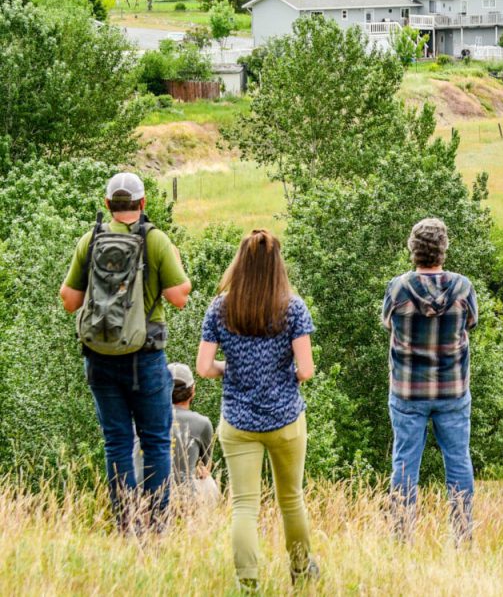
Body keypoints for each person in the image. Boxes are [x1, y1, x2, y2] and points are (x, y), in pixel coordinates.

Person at [59, 172, 191, 534]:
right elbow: (179, 297)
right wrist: (178, 264)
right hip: (144, 357)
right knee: (155, 441)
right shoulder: (156, 241)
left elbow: (70, 301)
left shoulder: (92, 239)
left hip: (98, 357)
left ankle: (126, 523)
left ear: (108, 205)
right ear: (143, 203)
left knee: (116, 440)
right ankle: (157, 526)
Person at [197, 230, 318, 588]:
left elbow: (204, 368)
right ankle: (301, 573)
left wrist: (228, 369)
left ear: (240, 263)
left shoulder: (221, 307)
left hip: (237, 421)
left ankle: (247, 583)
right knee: (291, 499)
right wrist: (286, 376)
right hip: (285, 419)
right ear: (277, 265)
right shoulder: (293, 307)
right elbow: (306, 370)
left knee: (244, 506)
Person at [382, 218, 479, 539]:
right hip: (452, 389)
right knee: (458, 462)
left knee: (405, 462)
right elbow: (471, 323)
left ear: (413, 249)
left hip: (407, 390)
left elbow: (388, 324)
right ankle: (462, 535)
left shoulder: (398, 287)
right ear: (443, 248)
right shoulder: (462, 287)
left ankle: (401, 534)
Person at [164, 362, 219, 505]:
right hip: (183, 499)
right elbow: (205, 469)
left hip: (142, 496)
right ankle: (204, 524)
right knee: (207, 481)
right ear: (193, 390)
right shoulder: (202, 423)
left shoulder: (143, 420)